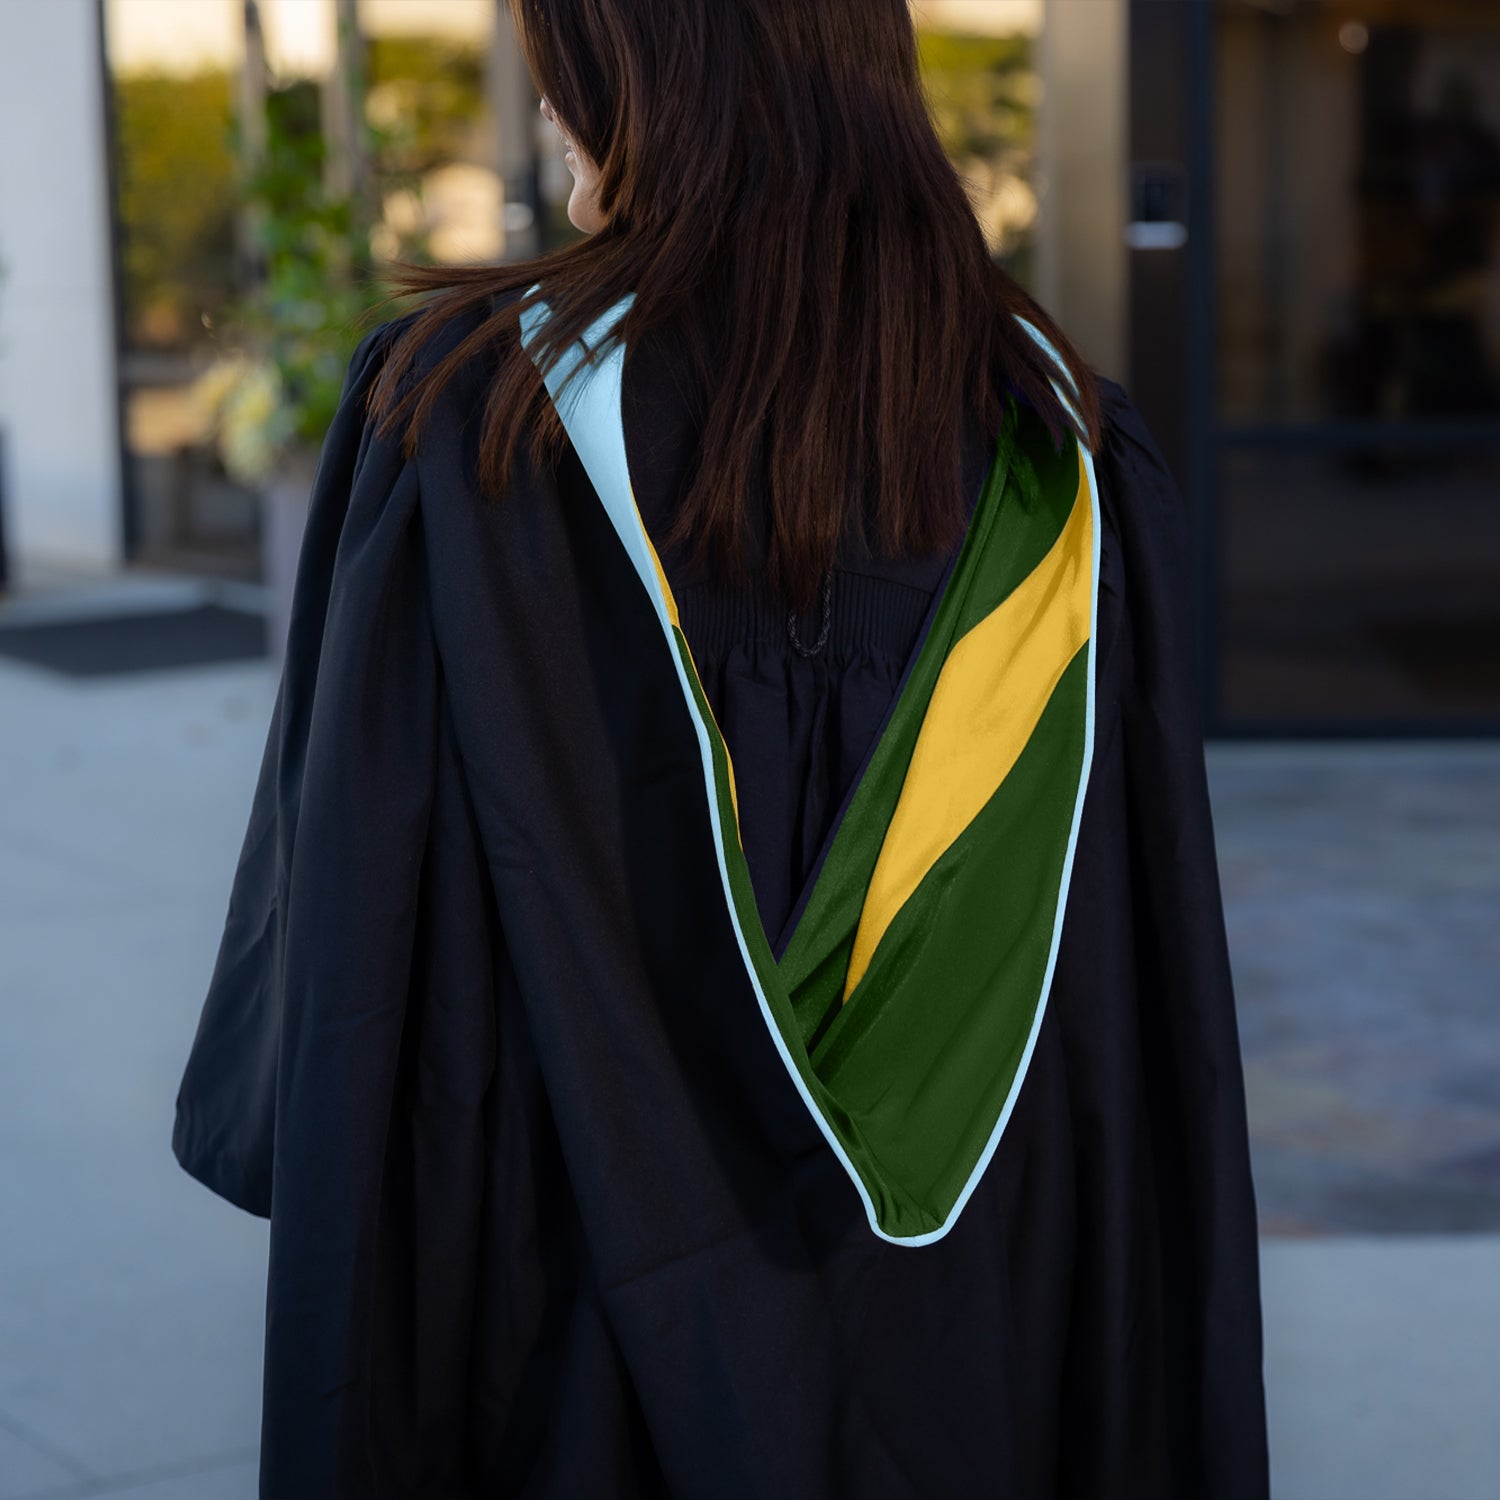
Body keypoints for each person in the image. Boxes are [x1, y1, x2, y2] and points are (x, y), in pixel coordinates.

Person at [171, 1, 1269, 1495]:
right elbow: (1137, 1006)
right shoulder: (1058, 441)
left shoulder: (469, 426)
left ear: (653, 75)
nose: (546, 105)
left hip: (562, 1316)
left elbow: (358, 943)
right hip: (988, 1321)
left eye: (566, 60)